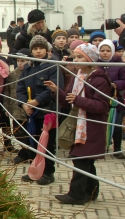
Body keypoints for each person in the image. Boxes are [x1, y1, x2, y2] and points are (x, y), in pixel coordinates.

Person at [47, 44, 110, 205]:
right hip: (78, 123)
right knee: (85, 160)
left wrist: (77, 100)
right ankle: (91, 191)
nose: (75, 60)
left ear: (90, 59)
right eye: (75, 57)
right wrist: (57, 91)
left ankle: (77, 194)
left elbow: (101, 105)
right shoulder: (77, 76)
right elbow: (69, 101)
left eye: (80, 57)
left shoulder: (99, 79)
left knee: (81, 158)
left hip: (92, 126)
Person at [15, 35, 57, 185]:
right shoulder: (28, 68)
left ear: (46, 50)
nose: (38, 52)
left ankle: (48, 172)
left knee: (48, 143)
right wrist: (24, 104)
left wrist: (36, 101)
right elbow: (20, 88)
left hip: (47, 111)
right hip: (32, 113)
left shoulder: (52, 66)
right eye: (35, 49)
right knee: (33, 141)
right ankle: (36, 170)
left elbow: (52, 88)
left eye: (41, 48)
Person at [98, 38, 125, 159]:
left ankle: (117, 149)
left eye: (108, 50)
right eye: (102, 50)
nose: (105, 53)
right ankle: (100, 148)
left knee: (116, 125)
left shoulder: (119, 65)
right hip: (100, 100)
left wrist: (115, 84)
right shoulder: (95, 64)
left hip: (116, 100)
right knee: (100, 125)